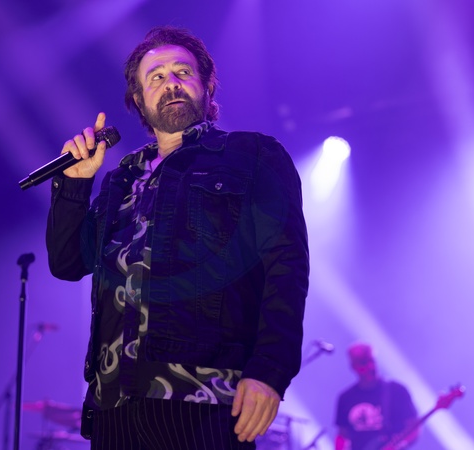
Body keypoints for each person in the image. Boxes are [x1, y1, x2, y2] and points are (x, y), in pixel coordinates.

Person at [46, 26, 309, 450]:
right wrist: (75, 185)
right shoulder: (120, 180)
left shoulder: (252, 156)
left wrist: (270, 370)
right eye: (156, 77)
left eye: (183, 72)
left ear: (207, 85)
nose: (171, 83)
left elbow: (287, 267)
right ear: (138, 101)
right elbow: (66, 263)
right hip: (113, 406)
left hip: (203, 395)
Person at [334, 342, 419, 450]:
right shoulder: (346, 398)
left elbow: (414, 426)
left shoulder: (396, 390)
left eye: (372, 360)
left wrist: (401, 445)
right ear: (354, 367)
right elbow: (342, 435)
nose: (370, 366)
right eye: (364, 362)